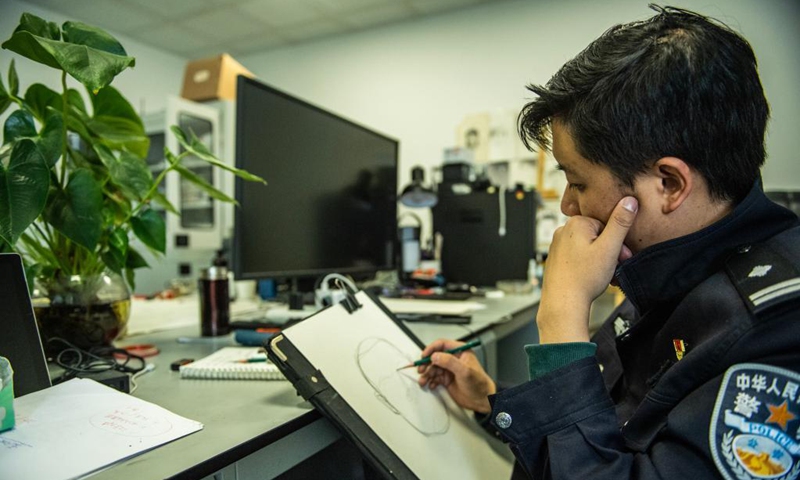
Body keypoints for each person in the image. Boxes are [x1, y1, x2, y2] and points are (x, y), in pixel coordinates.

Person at [418, 5, 800, 479]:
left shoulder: (778, 330)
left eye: (577, 182)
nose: (567, 206)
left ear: (668, 185)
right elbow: (613, 424)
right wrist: (489, 400)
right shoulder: (668, 269)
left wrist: (561, 320)